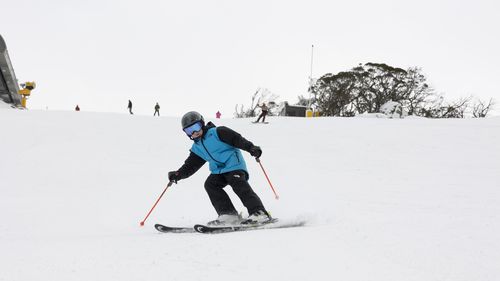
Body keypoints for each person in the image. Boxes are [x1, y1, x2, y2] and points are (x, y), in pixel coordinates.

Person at [168, 111, 272, 226]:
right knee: (210, 184)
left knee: (237, 182)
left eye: (196, 127)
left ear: (202, 123)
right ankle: (228, 215)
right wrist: (178, 174)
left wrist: (251, 148)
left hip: (234, 166)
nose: (194, 132)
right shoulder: (196, 148)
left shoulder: (218, 132)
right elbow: (190, 166)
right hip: (218, 171)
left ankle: (259, 213)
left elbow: (237, 139)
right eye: (189, 130)